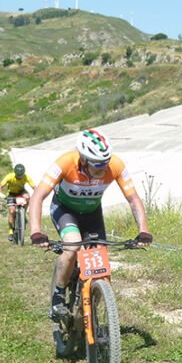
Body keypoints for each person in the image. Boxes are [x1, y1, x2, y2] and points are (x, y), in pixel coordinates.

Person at [29, 128, 153, 324]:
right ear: (83, 160)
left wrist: (143, 231)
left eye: (105, 164)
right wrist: (36, 232)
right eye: (97, 166)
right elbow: (37, 196)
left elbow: (133, 199)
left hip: (92, 214)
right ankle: (58, 295)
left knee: (100, 266)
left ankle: (88, 310)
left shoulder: (116, 165)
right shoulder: (65, 162)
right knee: (73, 245)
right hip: (65, 210)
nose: (103, 170)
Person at [0, 163, 36, 241]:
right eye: (18, 176)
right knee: (12, 211)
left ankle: (23, 213)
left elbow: (34, 187)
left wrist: (37, 195)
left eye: (21, 176)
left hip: (21, 192)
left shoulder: (26, 177)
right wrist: (0, 193)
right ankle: (11, 231)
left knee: (27, 197)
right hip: (11, 194)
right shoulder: (9, 176)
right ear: (15, 173)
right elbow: (0, 187)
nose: (19, 177)